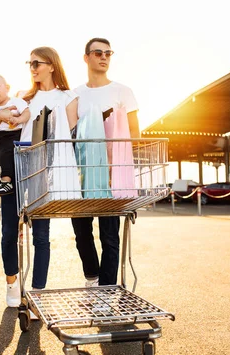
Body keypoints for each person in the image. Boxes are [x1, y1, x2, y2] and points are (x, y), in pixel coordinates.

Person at [0, 46, 78, 309]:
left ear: (52, 65)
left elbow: (70, 137)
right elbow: (5, 121)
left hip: (46, 172)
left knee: (41, 236)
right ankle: (12, 283)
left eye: (37, 63)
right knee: (10, 231)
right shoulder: (23, 97)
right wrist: (1, 115)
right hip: (19, 167)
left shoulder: (68, 97)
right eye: (29, 63)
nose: (32, 67)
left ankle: (37, 295)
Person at [72, 37, 140, 287]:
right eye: (98, 52)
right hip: (82, 173)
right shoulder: (75, 94)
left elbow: (134, 133)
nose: (104, 57)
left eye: (108, 53)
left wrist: (119, 166)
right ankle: (92, 277)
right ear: (86, 57)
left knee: (110, 236)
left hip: (113, 175)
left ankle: (106, 289)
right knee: (81, 232)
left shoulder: (123, 91)